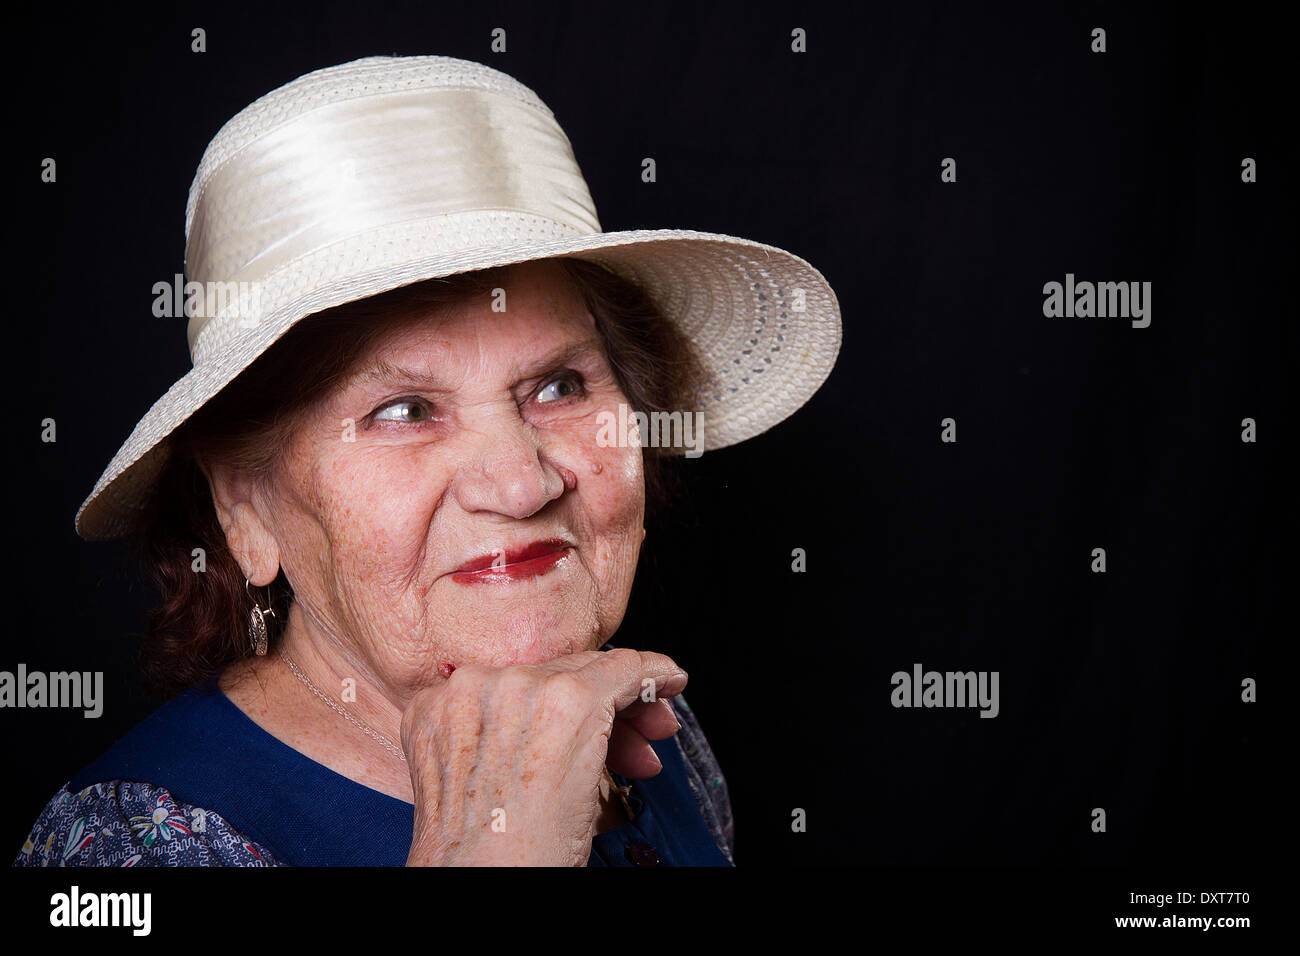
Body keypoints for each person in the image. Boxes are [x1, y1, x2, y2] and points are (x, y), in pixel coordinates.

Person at [13, 54, 840, 867]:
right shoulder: (133, 852)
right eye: (404, 412)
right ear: (244, 508)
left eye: (558, 386)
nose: (521, 483)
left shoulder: (650, 729)